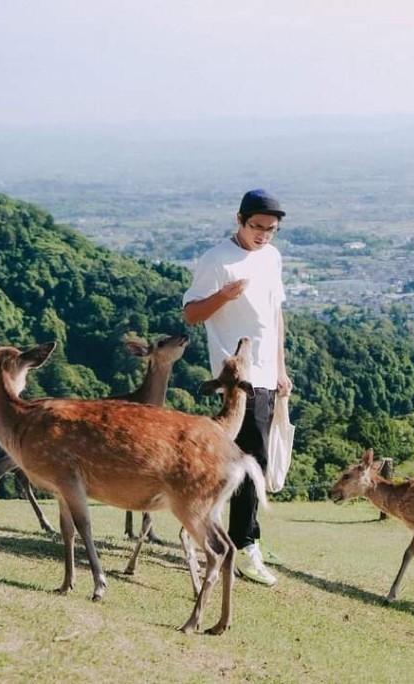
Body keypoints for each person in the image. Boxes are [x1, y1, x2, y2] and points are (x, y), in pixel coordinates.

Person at [182, 188, 293, 586]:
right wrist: (224, 295)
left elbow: (274, 315)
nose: (263, 235)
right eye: (257, 227)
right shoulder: (217, 260)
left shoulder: (272, 257)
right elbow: (191, 314)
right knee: (251, 461)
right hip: (237, 378)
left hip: (266, 375)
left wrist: (281, 369)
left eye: (271, 229)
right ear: (239, 219)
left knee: (255, 462)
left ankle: (246, 539)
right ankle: (244, 547)